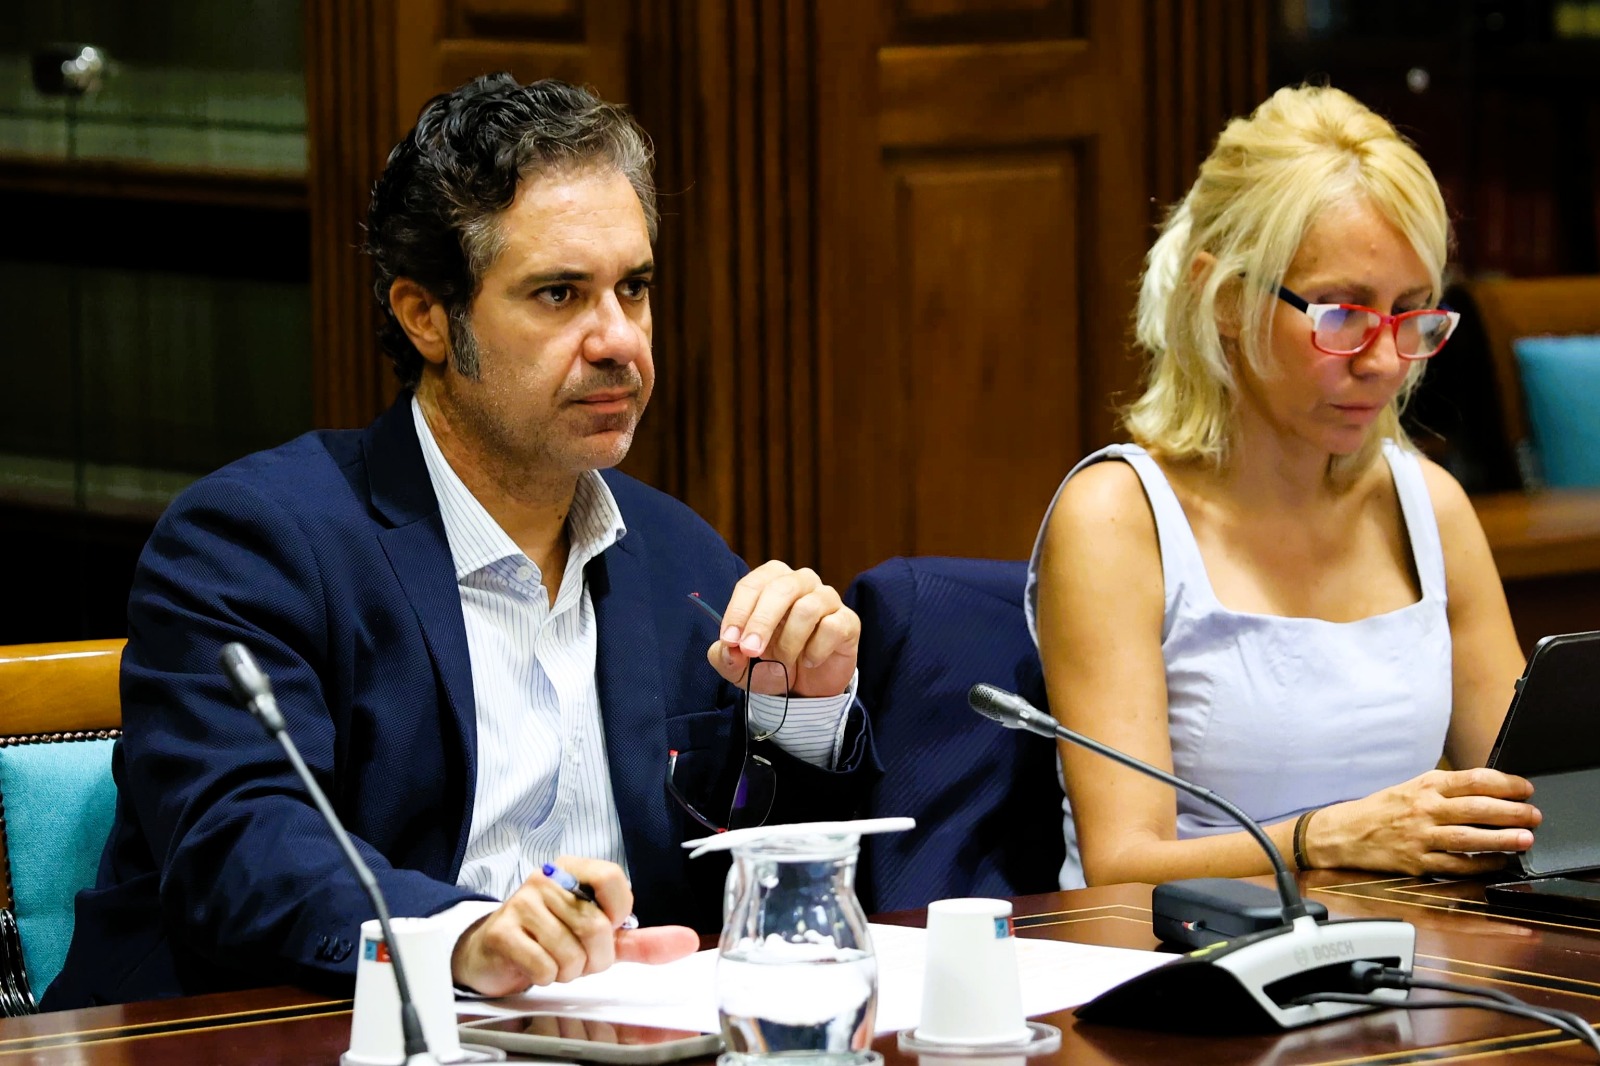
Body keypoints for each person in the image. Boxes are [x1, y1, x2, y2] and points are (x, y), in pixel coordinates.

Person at [45, 75, 875, 1009]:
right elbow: (239, 846)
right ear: (426, 317)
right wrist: (464, 938)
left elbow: (760, 887)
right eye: (559, 294)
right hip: (299, 1028)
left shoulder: (679, 558)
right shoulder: (254, 546)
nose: (619, 340)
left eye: (634, 289)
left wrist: (801, 714)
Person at [1026, 84, 1540, 890]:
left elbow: (1528, 810)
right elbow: (1121, 866)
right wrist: (1328, 836)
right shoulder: (1118, 517)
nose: (1383, 361)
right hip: (1176, 955)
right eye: (1342, 314)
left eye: (1411, 315)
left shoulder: (1429, 506)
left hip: (1414, 950)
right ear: (1226, 298)